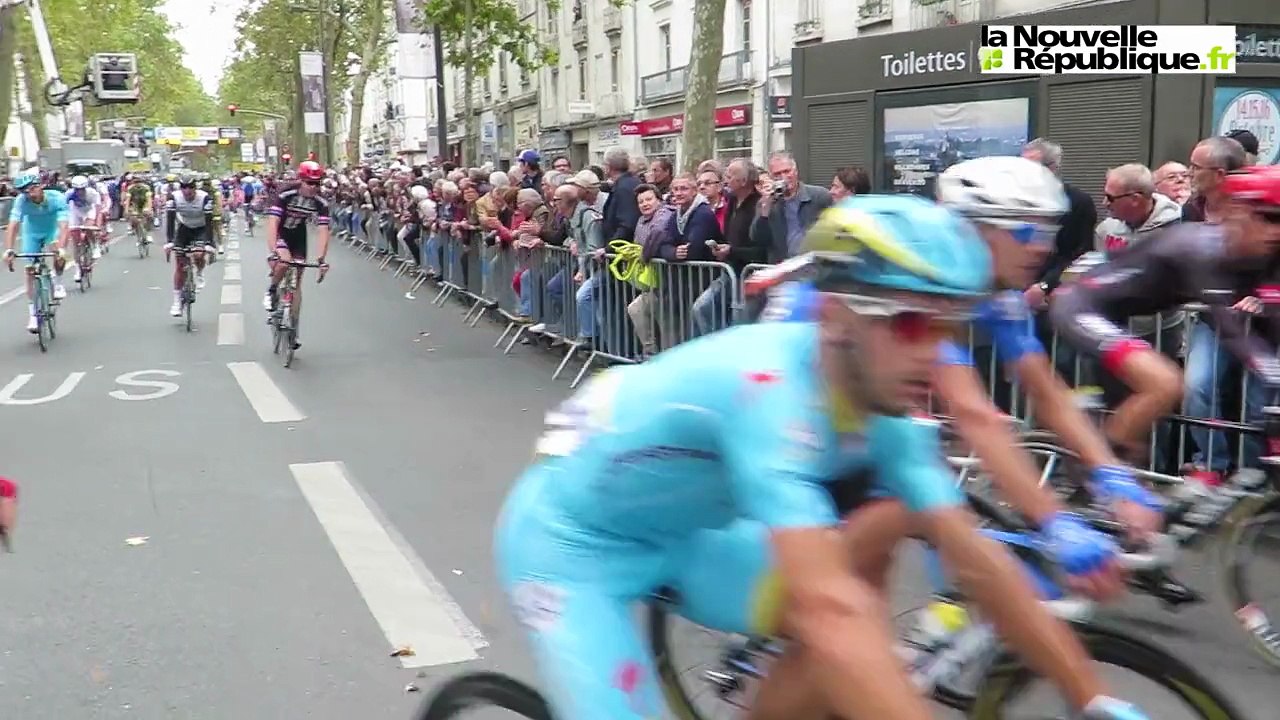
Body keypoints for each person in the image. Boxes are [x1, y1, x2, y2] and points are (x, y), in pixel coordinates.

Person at [495, 193, 1152, 720]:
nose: (934, 353)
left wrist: (1092, 695)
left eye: (951, 328)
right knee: (837, 614)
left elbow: (977, 558)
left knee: (853, 624)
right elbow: (828, 608)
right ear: (839, 316)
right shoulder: (769, 396)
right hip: (573, 548)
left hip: (691, 535)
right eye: (911, 324)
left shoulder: (886, 410)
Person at [1050, 165, 1280, 462]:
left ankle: (1111, 471)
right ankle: (1099, 468)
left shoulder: (1265, 253)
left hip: (1120, 316)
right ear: (1236, 212)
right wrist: (1272, 369)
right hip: (1082, 305)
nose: (1276, 231)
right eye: (1268, 218)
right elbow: (1231, 328)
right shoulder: (1199, 248)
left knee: (1136, 445)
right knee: (1165, 384)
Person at [263, 160, 330, 349]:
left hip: (298, 235)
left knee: (298, 280)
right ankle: (271, 290)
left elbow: (323, 230)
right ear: (301, 180)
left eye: (317, 184)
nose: (313, 187)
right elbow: (272, 223)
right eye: (310, 183)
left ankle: (294, 329)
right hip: (281, 231)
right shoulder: (286, 193)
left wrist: (322, 259)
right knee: (284, 263)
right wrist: (273, 251)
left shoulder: (321, 202)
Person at [4, 171, 70, 331]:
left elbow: (64, 227)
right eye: (24, 191)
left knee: (58, 251)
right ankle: (33, 313)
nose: (29, 193)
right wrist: (9, 250)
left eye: (32, 188)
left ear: (41, 186)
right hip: (31, 232)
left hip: (51, 230)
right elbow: (13, 225)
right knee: (30, 270)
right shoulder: (21, 201)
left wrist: (61, 249)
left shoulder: (57, 198)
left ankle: (58, 282)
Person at [163, 175, 215, 316]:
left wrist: (210, 243)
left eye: (190, 188)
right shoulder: (173, 198)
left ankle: (199, 272)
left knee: (198, 254)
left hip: (201, 229)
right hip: (184, 228)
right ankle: (176, 302)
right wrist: (169, 241)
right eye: (184, 188)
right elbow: (170, 220)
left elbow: (210, 221)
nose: (187, 191)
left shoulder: (205, 198)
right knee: (180, 265)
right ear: (180, 189)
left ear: (195, 188)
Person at [66, 175, 101, 284]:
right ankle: (77, 269)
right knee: (76, 243)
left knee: (88, 227)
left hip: (89, 211)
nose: (80, 192)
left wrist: (98, 225)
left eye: (82, 189)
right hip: (76, 212)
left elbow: (98, 209)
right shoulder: (68, 194)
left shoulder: (93, 193)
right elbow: (63, 209)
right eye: (77, 190)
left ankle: (95, 246)